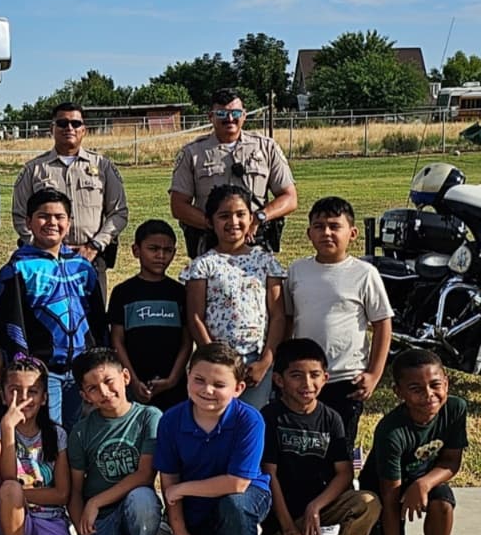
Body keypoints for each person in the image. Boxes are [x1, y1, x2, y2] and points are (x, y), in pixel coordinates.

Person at [155, 343, 271, 535]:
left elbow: (238, 483)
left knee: (235, 505)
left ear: (238, 388)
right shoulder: (171, 420)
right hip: (199, 503)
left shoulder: (249, 420)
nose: (207, 390)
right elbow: (169, 478)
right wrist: (179, 530)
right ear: (188, 377)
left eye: (219, 385)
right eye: (199, 380)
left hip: (247, 495)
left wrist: (182, 489)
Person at [261, 338, 380, 535]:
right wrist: (287, 527)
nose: (307, 384)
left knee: (368, 502)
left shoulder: (331, 418)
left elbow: (344, 473)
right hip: (281, 514)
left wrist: (315, 507)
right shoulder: (269, 417)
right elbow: (269, 474)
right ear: (279, 380)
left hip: (318, 508)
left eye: (315, 375)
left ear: (325, 378)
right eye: (296, 376)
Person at [286, 196, 393, 451]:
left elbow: (382, 324)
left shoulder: (364, 274)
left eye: (335, 226)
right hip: (305, 377)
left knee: (339, 448)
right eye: (319, 226)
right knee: (302, 444)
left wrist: (374, 374)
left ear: (352, 233)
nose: (326, 233)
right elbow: (288, 320)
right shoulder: (297, 271)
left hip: (346, 377)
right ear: (309, 233)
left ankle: (345, 476)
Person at [361, 349, 466, 535]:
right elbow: (390, 497)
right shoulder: (391, 431)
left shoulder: (455, 408)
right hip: (383, 489)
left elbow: (451, 462)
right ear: (398, 392)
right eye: (416, 389)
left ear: (446, 383)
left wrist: (424, 483)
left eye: (435, 385)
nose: (429, 395)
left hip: (423, 478)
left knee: (443, 502)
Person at [0, 189, 104, 430]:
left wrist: (97, 357)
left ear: (69, 223)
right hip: (42, 371)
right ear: (28, 222)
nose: (52, 222)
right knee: (49, 431)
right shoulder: (18, 268)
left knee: (80, 431)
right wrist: (24, 364)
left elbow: (97, 318)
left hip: (81, 370)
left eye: (59, 216)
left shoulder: (83, 267)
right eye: (43, 216)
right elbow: (11, 323)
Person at [180, 184, 285, 410]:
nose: (233, 222)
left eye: (240, 214)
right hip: (216, 362)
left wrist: (265, 362)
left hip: (255, 361)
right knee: (213, 417)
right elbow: (195, 317)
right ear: (210, 221)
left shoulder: (266, 262)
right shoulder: (203, 265)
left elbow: (277, 315)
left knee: (251, 419)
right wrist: (214, 360)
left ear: (251, 218)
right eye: (224, 216)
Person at [68, 349, 162, 535]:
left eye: (109, 381)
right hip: (101, 517)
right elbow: (75, 491)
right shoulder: (81, 431)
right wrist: (82, 530)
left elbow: (145, 475)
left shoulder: (148, 417)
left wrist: (95, 502)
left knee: (143, 499)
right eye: (93, 388)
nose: (104, 392)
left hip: (133, 507)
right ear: (84, 395)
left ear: (126, 377)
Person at [0, 355, 83, 535]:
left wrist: (21, 495)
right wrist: (8, 428)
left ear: (44, 398)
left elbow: (61, 494)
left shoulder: (57, 434)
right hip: (10, 518)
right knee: (10, 488)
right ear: (3, 395)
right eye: (14, 391)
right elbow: (8, 478)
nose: (23, 398)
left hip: (50, 518)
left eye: (32, 391)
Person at [11, 102, 128, 296]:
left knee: (92, 313)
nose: (69, 128)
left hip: (90, 259)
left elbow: (119, 213)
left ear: (84, 130)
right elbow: (19, 215)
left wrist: (94, 246)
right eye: (63, 123)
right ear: (52, 128)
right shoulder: (33, 170)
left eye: (75, 123)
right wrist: (42, 248)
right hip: (45, 262)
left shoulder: (103, 167)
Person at [169, 87, 297, 257]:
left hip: (256, 241)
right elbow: (178, 206)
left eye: (235, 113)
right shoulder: (192, 153)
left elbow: (290, 198)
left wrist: (259, 217)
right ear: (210, 116)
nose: (230, 119)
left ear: (244, 115)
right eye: (222, 114)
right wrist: (214, 224)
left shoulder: (266, 147)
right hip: (211, 244)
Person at [108, 220, 190, 410]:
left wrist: (173, 379)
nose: (161, 256)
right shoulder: (123, 292)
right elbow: (117, 340)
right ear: (136, 250)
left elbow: (187, 341)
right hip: (134, 384)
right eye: (153, 249)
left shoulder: (180, 292)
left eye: (167, 250)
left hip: (173, 387)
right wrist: (132, 380)